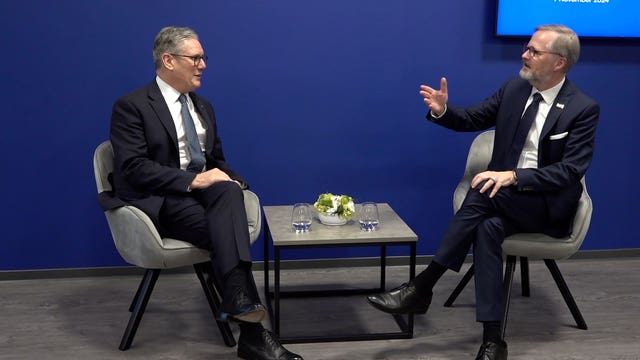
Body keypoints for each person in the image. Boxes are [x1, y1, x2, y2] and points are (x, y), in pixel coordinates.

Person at [367, 24, 599, 360]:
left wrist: (514, 177)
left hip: (548, 206)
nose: (524, 54)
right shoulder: (515, 89)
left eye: (534, 51)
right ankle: (493, 342)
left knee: (484, 190)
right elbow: (472, 118)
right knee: (487, 226)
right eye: (527, 47)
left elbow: (570, 171)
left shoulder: (582, 108)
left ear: (559, 62)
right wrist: (442, 110)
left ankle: (422, 286)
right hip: (504, 201)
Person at [108, 26, 303, 360]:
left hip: (204, 197)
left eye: (203, 58)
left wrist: (236, 181)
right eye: (195, 58)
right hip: (161, 200)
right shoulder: (132, 106)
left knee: (228, 195)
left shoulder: (204, 106)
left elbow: (215, 161)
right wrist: (193, 182)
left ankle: (241, 305)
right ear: (168, 60)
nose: (203, 65)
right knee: (226, 232)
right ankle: (254, 333)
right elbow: (133, 168)